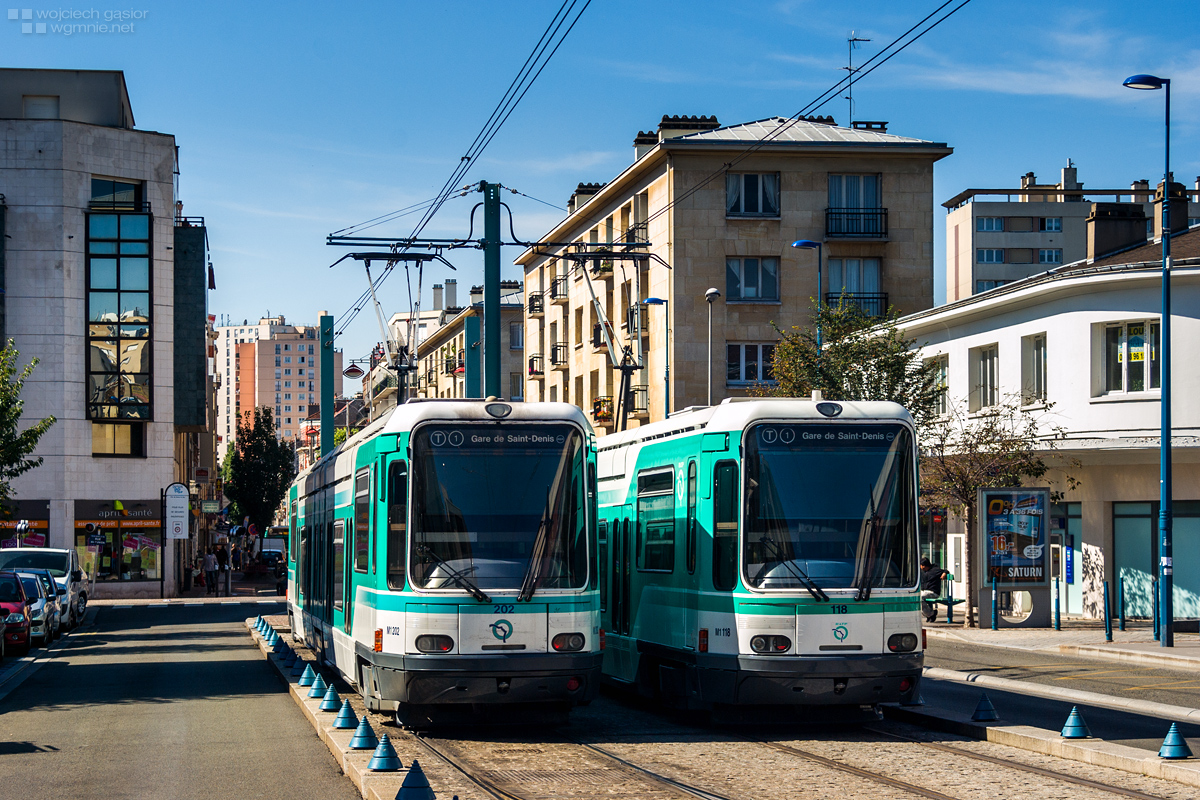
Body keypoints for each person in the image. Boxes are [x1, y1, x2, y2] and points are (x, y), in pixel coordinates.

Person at [920, 556, 950, 623]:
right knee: (915, 597)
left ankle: (931, 614)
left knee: (920, 598)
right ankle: (929, 614)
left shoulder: (935, 570)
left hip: (933, 592)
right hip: (924, 591)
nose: (920, 567)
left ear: (923, 565)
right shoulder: (924, 572)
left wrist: (944, 573)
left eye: (920, 565)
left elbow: (946, 571)